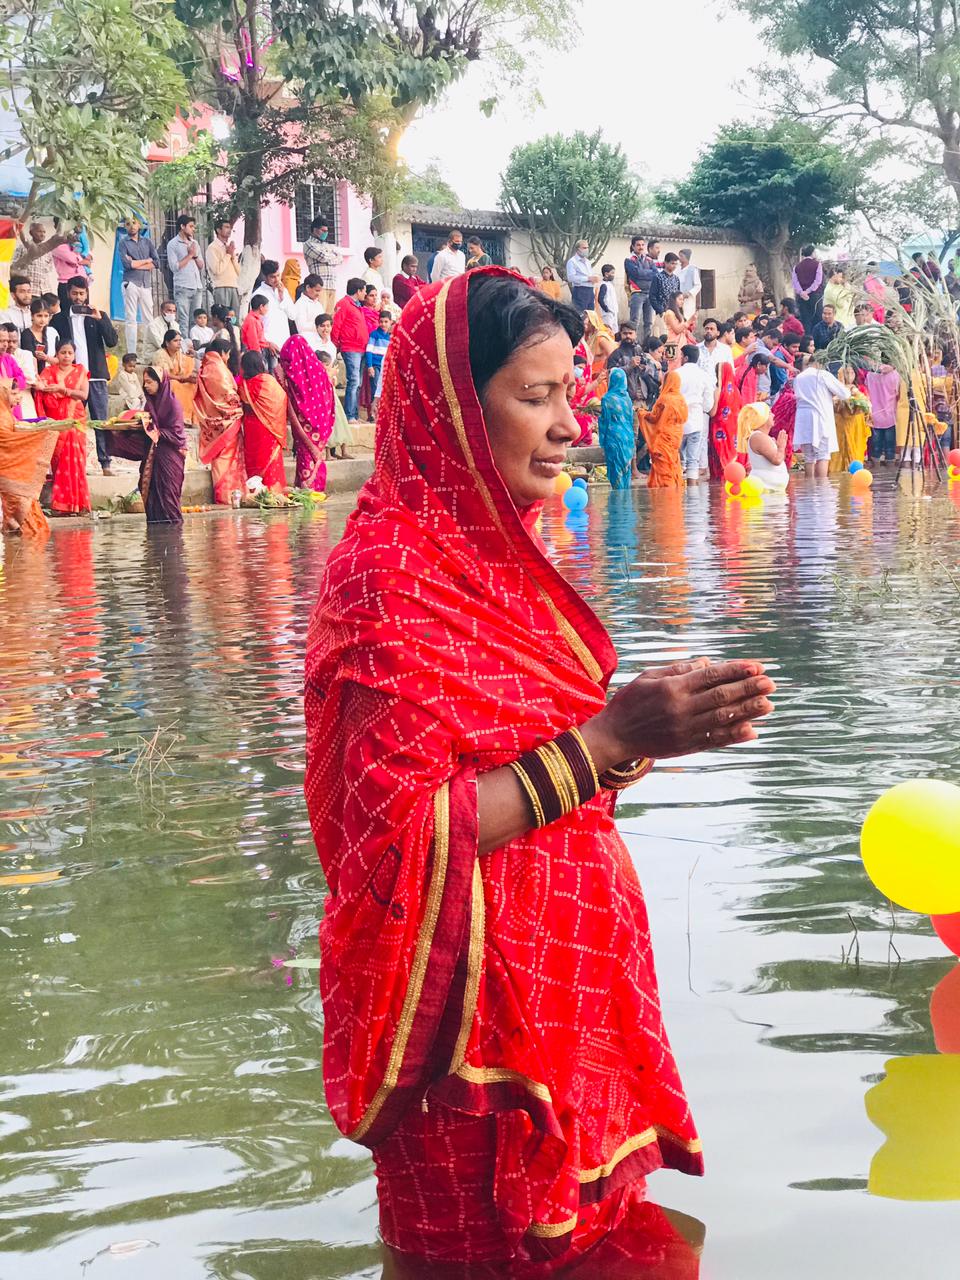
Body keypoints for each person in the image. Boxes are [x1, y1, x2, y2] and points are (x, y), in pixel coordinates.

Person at [304, 266, 775, 1266]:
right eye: (535, 395)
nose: (567, 422)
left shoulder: (498, 559)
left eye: (572, 391)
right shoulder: (387, 574)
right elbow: (399, 833)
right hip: (470, 1051)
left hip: (571, 1013)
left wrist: (643, 728)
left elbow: (535, 753)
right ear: (450, 411)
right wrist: (608, 739)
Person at [51, 275, 118, 475]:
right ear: (68, 294)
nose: (78, 297)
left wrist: (102, 320)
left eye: (82, 293)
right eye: (74, 293)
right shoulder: (59, 319)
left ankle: (105, 463)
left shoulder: (98, 315)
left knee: (100, 421)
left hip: (95, 377)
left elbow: (112, 341)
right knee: (72, 422)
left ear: (87, 294)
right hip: (71, 378)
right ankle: (73, 464)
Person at [104, 368, 186, 524]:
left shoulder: (173, 404)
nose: (146, 385)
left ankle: (173, 536)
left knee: (168, 496)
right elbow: (148, 429)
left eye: (150, 382)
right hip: (153, 455)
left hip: (169, 456)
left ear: (160, 383)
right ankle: (155, 536)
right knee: (151, 495)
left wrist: (150, 429)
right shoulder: (149, 404)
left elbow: (175, 434)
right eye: (145, 382)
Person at [35, 338, 91, 514]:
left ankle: (77, 504)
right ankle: (61, 505)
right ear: (56, 354)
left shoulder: (80, 371)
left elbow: (83, 395)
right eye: (63, 352)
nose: (67, 356)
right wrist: (43, 388)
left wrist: (63, 390)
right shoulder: (48, 371)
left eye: (70, 353)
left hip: (75, 421)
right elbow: (39, 386)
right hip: (56, 422)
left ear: (74, 355)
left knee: (75, 461)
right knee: (58, 461)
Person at [0, 377, 61, 536]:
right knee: (27, 524)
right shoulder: (2, 416)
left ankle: (17, 548)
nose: (18, 397)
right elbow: (8, 442)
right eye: (13, 393)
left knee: (21, 517)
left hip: (16, 474)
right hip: (11, 474)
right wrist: (43, 435)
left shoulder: (7, 413)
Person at [278, 334, 334, 491]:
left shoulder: (294, 373)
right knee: (314, 456)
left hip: (306, 424)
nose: (285, 364)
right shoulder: (318, 370)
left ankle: (308, 489)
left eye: (287, 360)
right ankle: (313, 488)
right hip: (321, 423)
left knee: (306, 456)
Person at [195, 337, 247, 503]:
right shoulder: (217, 368)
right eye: (228, 354)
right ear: (223, 352)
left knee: (222, 457)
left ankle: (227, 494)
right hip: (227, 419)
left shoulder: (206, 366)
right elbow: (227, 394)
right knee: (227, 458)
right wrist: (239, 401)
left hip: (214, 418)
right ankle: (227, 495)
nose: (228, 358)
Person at [237, 350, 288, 492]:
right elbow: (282, 398)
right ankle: (273, 488)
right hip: (270, 425)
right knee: (268, 456)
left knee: (254, 457)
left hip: (253, 425)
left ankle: (255, 489)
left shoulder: (244, 384)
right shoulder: (268, 380)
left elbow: (245, 404)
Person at [793, 360, 849, 477]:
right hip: (820, 417)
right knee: (823, 454)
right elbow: (845, 394)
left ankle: (809, 488)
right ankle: (821, 488)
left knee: (809, 457)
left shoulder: (799, 377)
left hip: (803, 418)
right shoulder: (822, 375)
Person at [118, 215, 160, 355]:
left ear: (139, 225)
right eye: (128, 224)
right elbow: (127, 265)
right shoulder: (123, 243)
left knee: (149, 318)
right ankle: (132, 353)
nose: (132, 226)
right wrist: (145, 261)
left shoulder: (147, 242)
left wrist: (137, 263)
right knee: (131, 318)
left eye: (134, 223)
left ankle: (149, 351)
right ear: (125, 226)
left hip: (145, 284)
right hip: (130, 283)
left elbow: (156, 262)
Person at [638, 369, 687, 487]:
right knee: (673, 463)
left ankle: (665, 498)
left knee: (663, 468)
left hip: (663, 438)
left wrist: (641, 413)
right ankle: (674, 498)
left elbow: (654, 417)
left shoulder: (664, 399)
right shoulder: (681, 400)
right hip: (676, 437)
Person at [330, 277, 369, 424]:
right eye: (364, 291)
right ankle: (349, 415)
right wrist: (335, 345)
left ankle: (354, 413)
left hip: (360, 348)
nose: (365, 294)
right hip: (351, 348)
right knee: (353, 381)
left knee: (357, 383)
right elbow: (336, 326)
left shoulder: (357, 306)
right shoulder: (344, 304)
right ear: (358, 291)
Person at [676, 344, 716, 482]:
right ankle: (693, 493)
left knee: (677, 459)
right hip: (696, 421)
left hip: (677, 422)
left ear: (686, 357)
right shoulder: (704, 376)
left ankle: (678, 491)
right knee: (693, 460)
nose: (679, 358)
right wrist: (702, 409)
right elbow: (708, 403)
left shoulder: (676, 374)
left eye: (681, 356)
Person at [597, 366, 636, 489]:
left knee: (616, 470)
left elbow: (605, 421)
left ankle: (617, 503)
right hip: (627, 438)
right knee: (626, 471)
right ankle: (626, 503)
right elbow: (631, 419)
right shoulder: (627, 399)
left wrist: (602, 438)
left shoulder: (607, 399)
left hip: (613, 437)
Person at [166, 214, 204, 338]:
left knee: (195, 320)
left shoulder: (195, 243)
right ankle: (183, 347)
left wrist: (195, 255)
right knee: (183, 320)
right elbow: (174, 267)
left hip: (197, 287)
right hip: (183, 287)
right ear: (182, 226)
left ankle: (194, 346)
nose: (193, 229)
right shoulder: (173, 244)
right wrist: (189, 255)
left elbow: (201, 265)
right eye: (191, 226)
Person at [302, 218, 347, 316]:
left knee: (330, 317)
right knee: (320, 316)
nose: (325, 233)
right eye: (323, 231)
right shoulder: (308, 244)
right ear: (315, 230)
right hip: (319, 287)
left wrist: (329, 258)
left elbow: (340, 258)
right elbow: (322, 257)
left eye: (327, 231)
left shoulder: (328, 245)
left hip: (332, 285)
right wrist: (332, 258)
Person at [256, 260, 296, 368]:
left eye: (278, 275)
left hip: (284, 344)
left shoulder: (283, 290)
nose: (277, 279)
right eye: (273, 277)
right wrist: (267, 343)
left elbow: (292, 315)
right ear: (265, 277)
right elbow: (256, 323)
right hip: (269, 346)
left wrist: (283, 296)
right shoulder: (259, 294)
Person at [709, 352, 743, 479]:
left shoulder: (718, 391)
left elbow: (714, 411)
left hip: (719, 426)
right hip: (733, 428)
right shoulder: (736, 391)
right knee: (730, 450)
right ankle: (732, 475)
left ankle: (721, 475)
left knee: (720, 450)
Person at [153, 330, 197, 424]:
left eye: (180, 340)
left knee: (191, 386)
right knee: (174, 384)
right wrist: (182, 379)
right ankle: (179, 417)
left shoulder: (179, 354)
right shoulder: (160, 354)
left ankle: (189, 418)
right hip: (162, 382)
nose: (179, 343)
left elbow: (183, 371)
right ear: (167, 343)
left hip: (178, 380)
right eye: (175, 341)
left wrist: (190, 377)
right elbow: (163, 374)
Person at [745, 402, 790, 490]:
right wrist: (781, 447)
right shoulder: (758, 437)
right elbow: (776, 460)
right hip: (764, 490)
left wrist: (778, 447)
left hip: (770, 490)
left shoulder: (763, 437)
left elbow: (779, 459)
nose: (773, 415)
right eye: (769, 413)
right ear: (761, 417)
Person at [11, 221, 58, 298]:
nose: (42, 234)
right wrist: (24, 276)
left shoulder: (47, 250)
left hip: (45, 290)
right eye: (39, 231)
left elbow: (49, 268)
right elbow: (14, 265)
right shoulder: (22, 248)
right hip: (30, 291)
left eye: (44, 232)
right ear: (31, 233)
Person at [623, 236, 658, 338]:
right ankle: (633, 342)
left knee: (649, 322)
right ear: (633, 246)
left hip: (649, 293)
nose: (641, 247)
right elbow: (635, 274)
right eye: (638, 245)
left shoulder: (649, 260)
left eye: (642, 245)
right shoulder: (629, 260)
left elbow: (655, 274)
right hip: (637, 292)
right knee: (634, 321)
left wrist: (642, 273)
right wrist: (647, 273)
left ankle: (647, 345)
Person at [864, 363, 899, 464]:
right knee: (890, 448)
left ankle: (876, 470)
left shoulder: (870, 375)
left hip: (875, 415)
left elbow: (867, 391)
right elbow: (897, 393)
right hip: (890, 415)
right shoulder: (895, 375)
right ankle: (889, 470)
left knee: (876, 448)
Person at [206, 219, 242, 315]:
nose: (229, 230)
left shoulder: (228, 247)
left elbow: (239, 271)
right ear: (218, 230)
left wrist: (232, 255)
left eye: (230, 227)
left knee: (234, 319)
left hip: (234, 286)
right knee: (223, 317)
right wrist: (228, 255)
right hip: (221, 287)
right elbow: (217, 270)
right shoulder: (212, 248)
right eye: (226, 227)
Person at [52, 232, 92, 310]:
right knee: (68, 313)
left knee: (84, 311)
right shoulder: (58, 246)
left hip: (82, 283)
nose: (73, 235)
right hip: (67, 284)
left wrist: (86, 260)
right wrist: (83, 260)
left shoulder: (77, 246)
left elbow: (89, 257)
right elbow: (72, 259)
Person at [364, 309, 392, 419]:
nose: (383, 324)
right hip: (375, 365)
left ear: (390, 322)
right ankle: (372, 413)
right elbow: (369, 351)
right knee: (375, 388)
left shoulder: (390, 337)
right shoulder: (374, 335)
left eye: (386, 322)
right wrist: (370, 366)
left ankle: (380, 413)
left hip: (385, 366)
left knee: (382, 390)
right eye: (381, 322)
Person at [20, 298, 56, 380]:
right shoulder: (26, 334)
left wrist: (46, 358)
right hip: (33, 376)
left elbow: (59, 358)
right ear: (32, 316)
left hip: (52, 376)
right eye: (39, 316)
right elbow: (29, 358)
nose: (43, 319)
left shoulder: (52, 333)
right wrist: (37, 378)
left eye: (46, 316)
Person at [791, 244, 824, 331]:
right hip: (815, 296)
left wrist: (802, 292)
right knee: (817, 318)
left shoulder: (797, 267)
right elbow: (818, 281)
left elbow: (795, 282)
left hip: (801, 297)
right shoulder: (817, 265)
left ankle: (807, 340)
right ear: (812, 253)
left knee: (805, 320)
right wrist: (808, 291)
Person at [566, 238, 599, 313]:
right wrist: (588, 279)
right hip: (580, 290)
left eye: (587, 247)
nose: (586, 249)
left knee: (590, 315)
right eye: (584, 248)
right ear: (578, 249)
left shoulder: (588, 262)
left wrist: (594, 278)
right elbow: (571, 278)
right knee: (580, 314)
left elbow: (590, 275)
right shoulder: (572, 262)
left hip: (590, 291)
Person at [649, 253, 681, 325]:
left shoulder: (676, 279)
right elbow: (652, 296)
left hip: (674, 314)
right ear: (666, 263)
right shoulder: (658, 277)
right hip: (661, 314)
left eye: (676, 264)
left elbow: (678, 297)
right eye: (672, 263)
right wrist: (660, 311)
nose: (674, 266)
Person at [291, 273, 324, 341]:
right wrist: (321, 325)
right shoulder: (300, 304)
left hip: (319, 341)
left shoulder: (318, 304)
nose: (318, 294)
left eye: (320, 291)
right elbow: (301, 326)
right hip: (306, 342)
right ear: (308, 287)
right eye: (317, 290)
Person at [677, 249, 701, 322]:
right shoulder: (677, 269)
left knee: (687, 318)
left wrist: (689, 293)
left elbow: (698, 285)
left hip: (688, 299)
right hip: (677, 298)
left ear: (686, 257)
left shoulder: (693, 269)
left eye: (681, 256)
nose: (679, 258)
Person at [597, 264, 619, 334]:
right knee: (608, 331)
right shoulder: (603, 285)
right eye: (612, 273)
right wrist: (606, 309)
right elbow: (600, 299)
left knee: (615, 331)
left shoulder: (610, 284)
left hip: (613, 312)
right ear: (606, 274)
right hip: (608, 314)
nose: (613, 275)